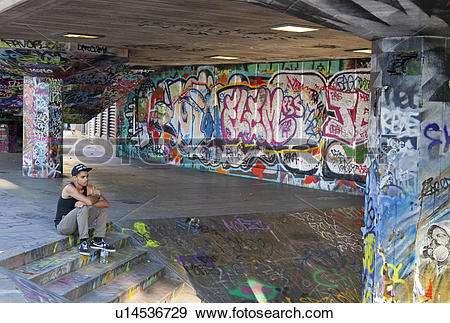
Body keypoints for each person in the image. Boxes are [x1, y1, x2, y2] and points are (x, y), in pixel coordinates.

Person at [54, 163, 116, 255]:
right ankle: (83, 241)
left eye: (87, 176)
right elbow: (89, 202)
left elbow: (106, 203)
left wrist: (94, 198)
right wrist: (95, 197)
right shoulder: (69, 188)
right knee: (82, 207)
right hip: (64, 226)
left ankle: (97, 241)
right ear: (75, 178)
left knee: (102, 208)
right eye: (82, 177)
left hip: (79, 224)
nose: (86, 179)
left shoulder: (89, 188)